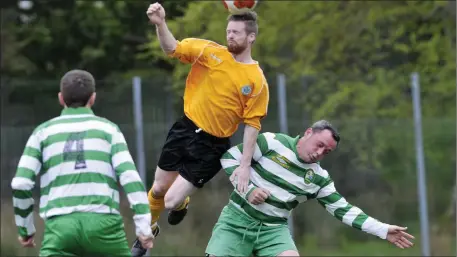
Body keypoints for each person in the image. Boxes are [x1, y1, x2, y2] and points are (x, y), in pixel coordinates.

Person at [131, 2, 270, 256]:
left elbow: (252, 124)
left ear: (251, 37)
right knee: (159, 190)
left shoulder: (256, 80)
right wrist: (161, 23)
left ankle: (180, 202)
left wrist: (244, 164)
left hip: (212, 146)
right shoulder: (210, 51)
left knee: (170, 200)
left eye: (236, 32)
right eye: (228, 31)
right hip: (184, 129)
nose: (230, 36)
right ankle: (147, 230)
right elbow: (171, 48)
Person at [205, 120, 415, 257]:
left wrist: (382, 230)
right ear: (307, 133)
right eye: (319, 144)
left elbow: (345, 210)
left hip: (273, 230)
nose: (320, 152)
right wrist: (248, 190)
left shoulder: (319, 179)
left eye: (327, 151)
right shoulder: (272, 142)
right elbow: (230, 158)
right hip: (236, 221)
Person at [10, 69, 154, 256]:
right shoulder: (109, 130)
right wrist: (143, 228)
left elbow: (20, 183)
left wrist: (26, 229)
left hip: (60, 229)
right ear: (93, 98)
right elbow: (130, 177)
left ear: (61, 98)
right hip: (104, 227)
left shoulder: (42, 133)